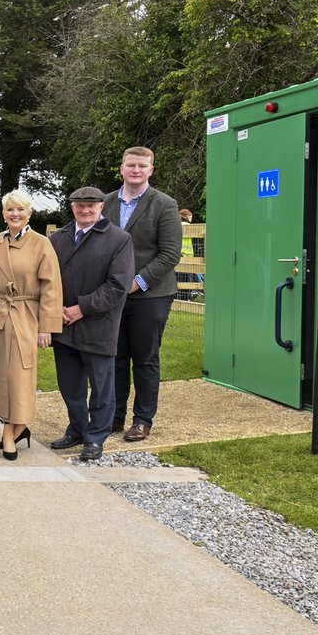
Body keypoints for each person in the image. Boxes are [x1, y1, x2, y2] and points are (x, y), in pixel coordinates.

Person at [48, 187, 134, 461]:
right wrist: (55, 308)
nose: (85, 211)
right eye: (79, 206)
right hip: (64, 325)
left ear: (101, 207)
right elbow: (47, 279)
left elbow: (117, 285)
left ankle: (96, 437)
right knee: (70, 385)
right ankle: (78, 429)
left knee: (101, 388)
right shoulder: (57, 238)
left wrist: (82, 308)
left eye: (91, 206)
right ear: (72, 207)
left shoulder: (119, 239)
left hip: (98, 325)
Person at [102, 146, 182, 442]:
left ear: (151, 170)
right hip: (113, 295)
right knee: (115, 356)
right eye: (131, 165)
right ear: (121, 168)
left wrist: (138, 281)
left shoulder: (164, 204)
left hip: (151, 295)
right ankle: (113, 416)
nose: (136, 170)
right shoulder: (105, 203)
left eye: (142, 166)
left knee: (145, 359)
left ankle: (142, 420)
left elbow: (170, 253)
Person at [0, 190, 62, 461]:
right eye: (10, 209)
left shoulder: (41, 244)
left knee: (20, 375)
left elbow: (51, 287)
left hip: (26, 315)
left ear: (30, 213)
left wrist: (46, 327)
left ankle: (10, 431)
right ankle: (17, 426)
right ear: (3, 213)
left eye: (21, 210)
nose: (15, 214)